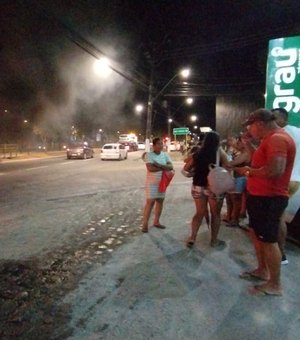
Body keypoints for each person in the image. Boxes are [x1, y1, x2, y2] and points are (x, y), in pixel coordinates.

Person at [235, 108, 295, 296]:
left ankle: (275, 284)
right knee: (259, 236)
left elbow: (275, 170)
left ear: (259, 123)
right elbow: (259, 160)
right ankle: (262, 270)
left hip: (270, 198)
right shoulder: (269, 139)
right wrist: (247, 143)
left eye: (250, 126)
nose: (249, 130)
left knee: (269, 240)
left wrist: (248, 172)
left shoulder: (277, 139)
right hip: (260, 196)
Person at [184, 131, 229, 248]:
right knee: (215, 214)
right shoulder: (219, 152)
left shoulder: (197, 152)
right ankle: (214, 241)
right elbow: (228, 165)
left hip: (198, 186)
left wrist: (192, 173)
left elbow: (185, 169)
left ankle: (192, 237)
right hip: (214, 187)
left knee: (199, 213)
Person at [272, 107, 300, 265]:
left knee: (276, 218)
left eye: (274, 118)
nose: (272, 121)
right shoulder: (298, 132)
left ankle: (279, 253)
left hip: (284, 180)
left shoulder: (279, 134)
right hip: (297, 181)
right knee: (281, 217)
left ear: (284, 119)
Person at [142, 137, 174, 233]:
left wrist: (158, 165)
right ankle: (145, 224)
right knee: (150, 203)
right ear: (154, 145)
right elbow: (150, 169)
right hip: (152, 184)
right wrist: (164, 167)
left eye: (162, 144)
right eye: (159, 144)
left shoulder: (165, 155)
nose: (161, 146)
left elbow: (171, 166)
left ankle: (156, 222)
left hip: (162, 183)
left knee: (160, 202)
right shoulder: (149, 155)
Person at [224, 136, 251, 227]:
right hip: (235, 177)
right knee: (230, 198)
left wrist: (230, 165)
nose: (237, 144)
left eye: (239, 142)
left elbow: (230, 163)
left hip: (240, 178)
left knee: (236, 199)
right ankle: (230, 217)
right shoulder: (240, 152)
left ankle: (235, 220)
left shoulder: (245, 153)